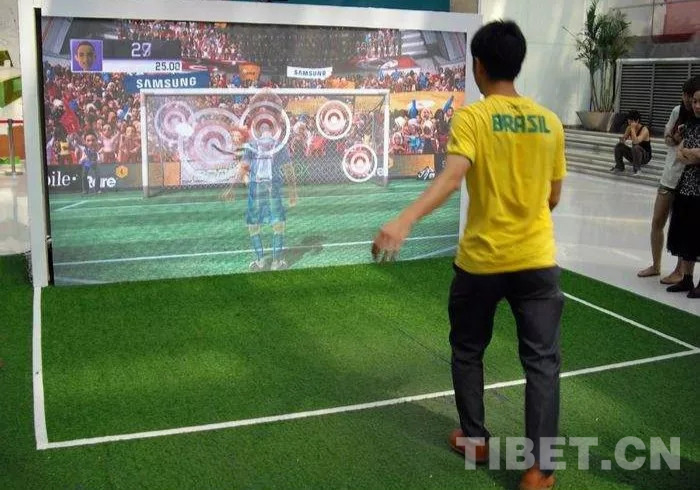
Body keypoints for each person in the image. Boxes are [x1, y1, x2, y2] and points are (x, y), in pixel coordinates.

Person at [372, 20, 564, 490]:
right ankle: (539, 470)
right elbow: (553, 197)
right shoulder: (550, 122)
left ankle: (475, 440)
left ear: (478, 66)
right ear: (518, 63)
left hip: (482, 263)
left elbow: (452, 177)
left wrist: (404, 220)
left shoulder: (473, 118)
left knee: (468, 349)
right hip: (538, 260)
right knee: (542, 363)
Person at [637, 77, 696, 282]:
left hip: (690, 180)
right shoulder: (677, 112)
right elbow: (667, 139)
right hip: (670, 175)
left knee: (681, 226)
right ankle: (656, 265)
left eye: (692, 96)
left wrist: (687, 151)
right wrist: (674, 138)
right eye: (686, 95)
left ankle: (681, 271)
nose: (688, 100)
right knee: (657, 221)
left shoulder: (697, 119)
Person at [242, 124, 298, 272]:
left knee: (253, 225)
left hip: (256, 188)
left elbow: (244, 168)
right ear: (273, 131)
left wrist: (247, 180)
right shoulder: (279, 146)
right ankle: (276, 263)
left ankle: (260, 261)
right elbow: (289, 170)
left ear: (258, 131)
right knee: (278, 225)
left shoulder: (251, 145)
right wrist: (293, 193)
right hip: (272, 188)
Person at [666, 77, 700, 298]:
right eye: (695, 101)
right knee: (686, 235)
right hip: (686, 188)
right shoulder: (690, 125)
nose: (696, 106)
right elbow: (680, 152)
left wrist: (691, 154)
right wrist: (691, 154)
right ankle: (687, 278)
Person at [612, 110, 652, 174]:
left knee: (636, 147)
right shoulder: (629, 128)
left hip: (645, 157)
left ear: (637, 121)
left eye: (631, 121)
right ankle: (619, 166)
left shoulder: (644, 130)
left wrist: (633, 129)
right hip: (634, 154)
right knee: (618, 146)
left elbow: (635, 142)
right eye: (629, 121)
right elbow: (624, 138)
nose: (630, 123)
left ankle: (637, 169)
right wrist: (623, 140)